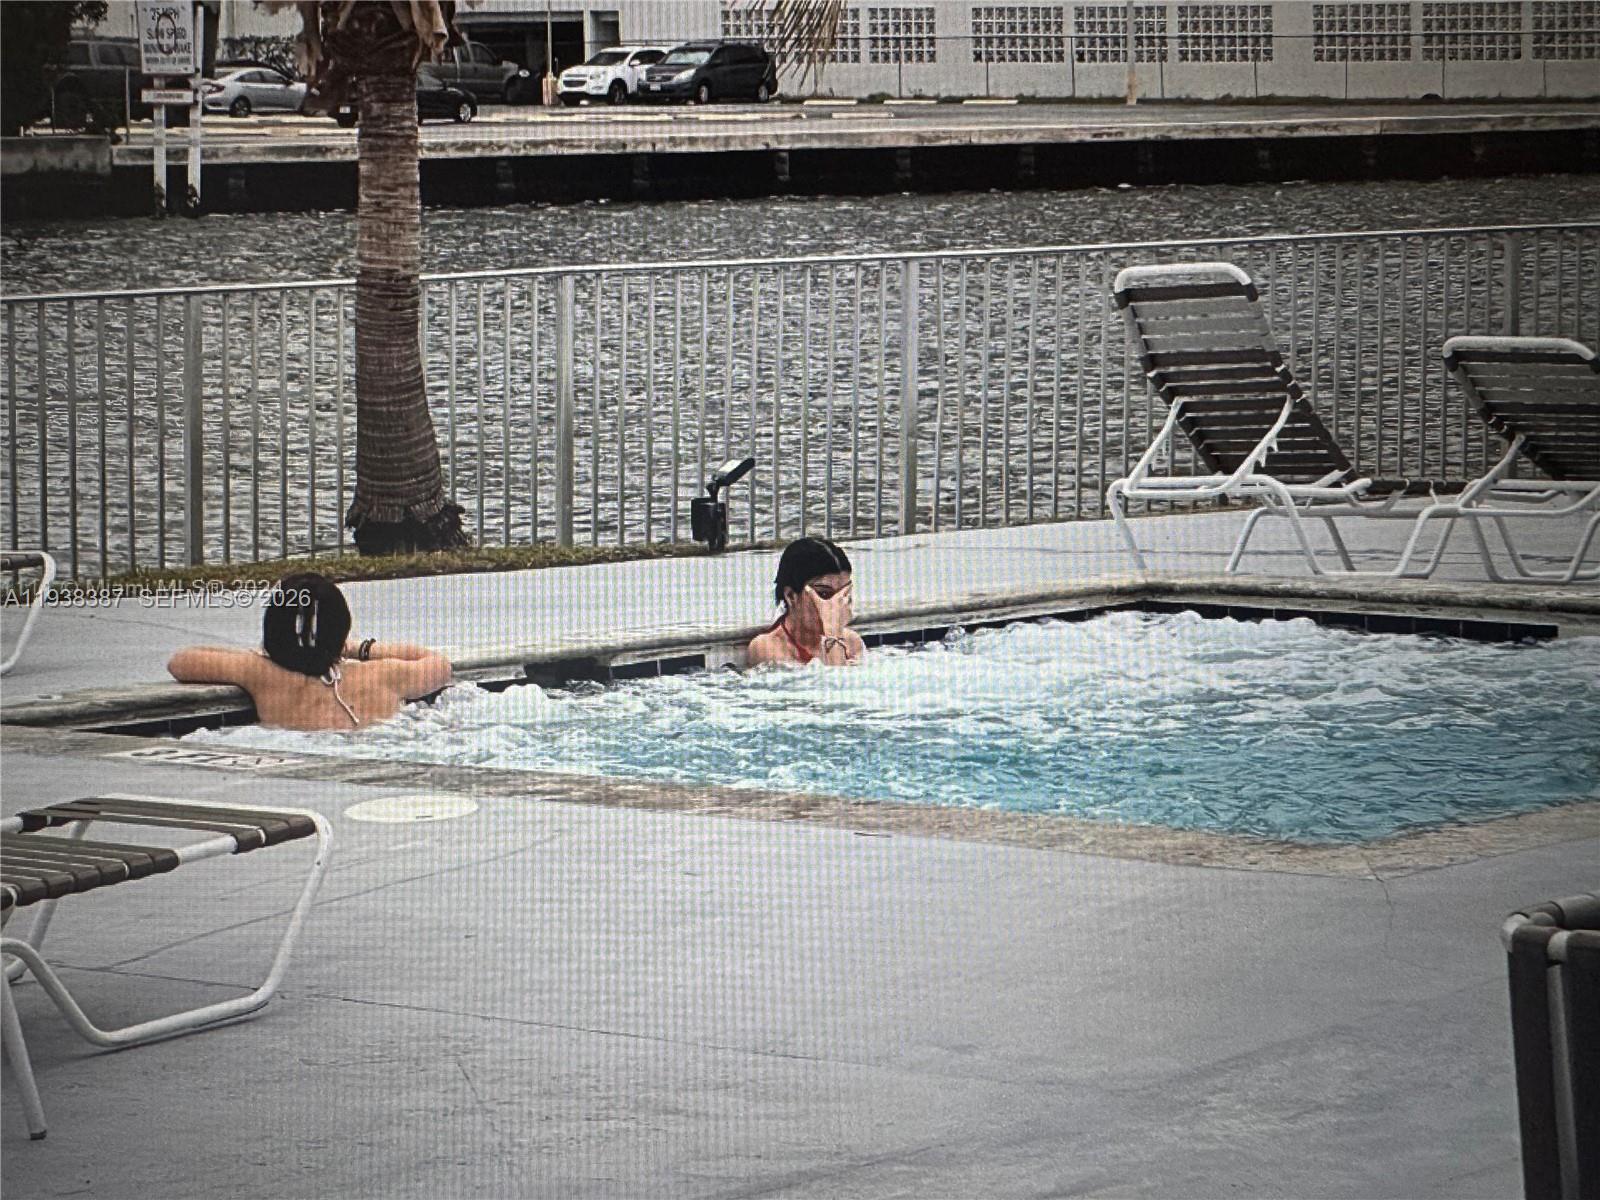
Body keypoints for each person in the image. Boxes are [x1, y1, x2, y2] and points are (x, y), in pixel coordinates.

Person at [167, 573, 453, 731]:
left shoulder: (259, 673)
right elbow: (439, 664)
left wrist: (262, 654)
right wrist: (361, 648)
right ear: (342, 627)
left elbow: (180, 662)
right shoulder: (383, 674)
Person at [746, 537, 865, 667]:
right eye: (824, 594)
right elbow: (836, 679)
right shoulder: (767, 647)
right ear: (791, 596)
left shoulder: (851, 642)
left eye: (843, 595)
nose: (835, 606)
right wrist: (833, 636)